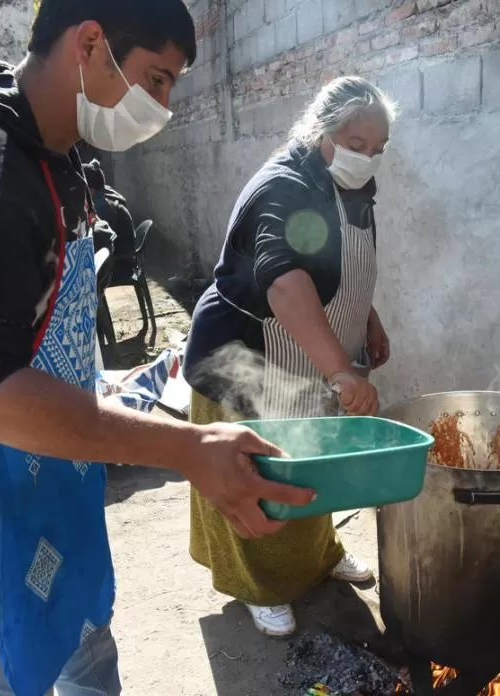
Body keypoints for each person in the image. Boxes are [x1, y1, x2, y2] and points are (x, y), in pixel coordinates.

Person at [0, 1, 312, 694]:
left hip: (47, 470)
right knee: (8, 675)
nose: (161, 106)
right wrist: (186, 447)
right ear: (92, 43)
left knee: (81, 646)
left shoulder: (50, 148)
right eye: (155, 79)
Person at [183, 76, 396, 637]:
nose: (367, 157)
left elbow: (346, 271)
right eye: (356, 141)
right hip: (246, 356)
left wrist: (366, 320)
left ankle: (321, 557)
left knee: (314, 465)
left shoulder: (351, 188)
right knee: (256, 473)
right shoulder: (284, 188)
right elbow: (285, 286)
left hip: (311, 354)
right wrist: (341, 371)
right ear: (322, 130)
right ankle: (257, 588)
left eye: (377, 149)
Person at [84, 158, 137, 282]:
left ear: (90, 189)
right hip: (122, 259)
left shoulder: (102, 206)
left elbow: (99, 242)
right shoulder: (106, 195)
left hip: (120, 267)